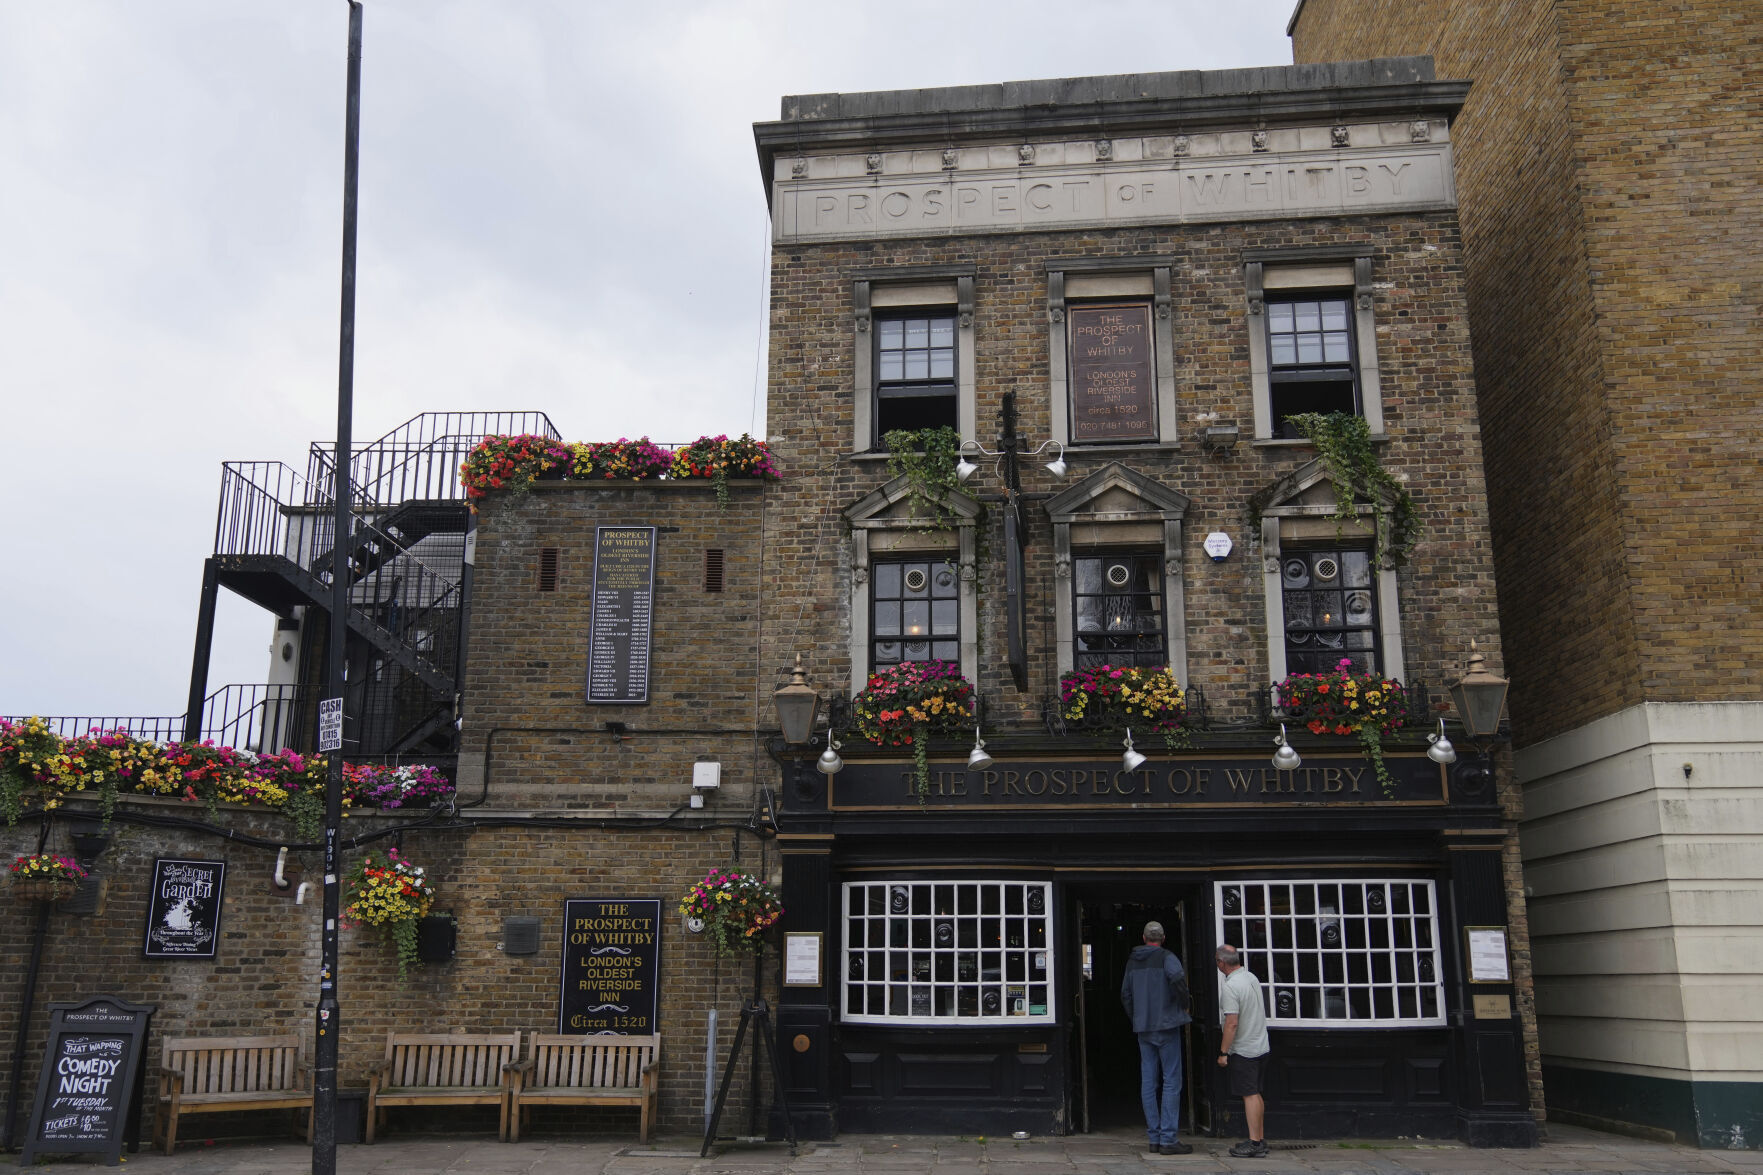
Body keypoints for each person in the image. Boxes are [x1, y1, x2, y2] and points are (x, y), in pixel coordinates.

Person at [1120, 920, 1193, 1155]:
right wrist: (1184, 1004)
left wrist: (1137, 1018)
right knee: (1172, 1080)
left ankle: (1154, 1137)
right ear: (1163, 938)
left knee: (1149, 1082)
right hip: (1167, 1025)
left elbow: (1126, 994)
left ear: (1143, 937)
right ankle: (1168, 1139)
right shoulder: (1167, 957)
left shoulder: (1133, 961)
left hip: (1144, 1028)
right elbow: (1178, 979)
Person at [1215, 943, 1270, 1159]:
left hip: (1245, 1048)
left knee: (1250, 1095)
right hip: (1261, 1044)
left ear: (1221, 962)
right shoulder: (1250, 977)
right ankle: (1259, 1138)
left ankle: (1255, 1143)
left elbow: (1232, 1023)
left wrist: (1223, 1052)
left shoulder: (1231, 987)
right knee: (1256, 1093)